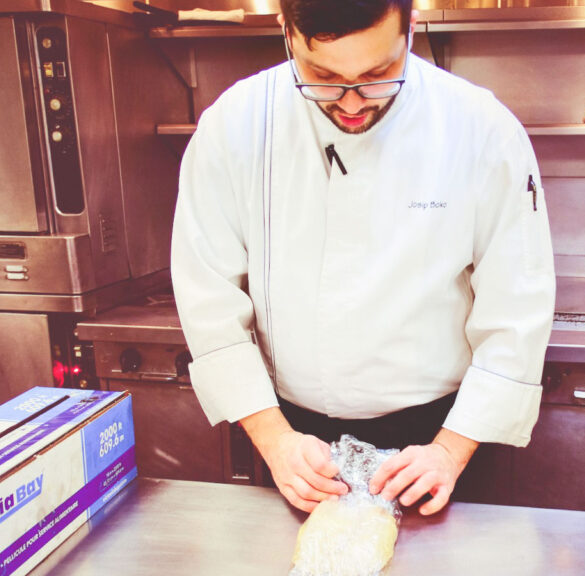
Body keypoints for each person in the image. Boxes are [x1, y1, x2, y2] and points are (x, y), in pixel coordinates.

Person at [171, 0, 555, 517]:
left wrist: (450, 450)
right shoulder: (233, 126)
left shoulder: (481, 129)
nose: (351, 101)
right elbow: (208, 297)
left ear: (411, 29)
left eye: (378, 74)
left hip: (437, 438)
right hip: (290, 439)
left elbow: (516, 309)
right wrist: (274, 440)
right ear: (287, 33)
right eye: (322, 76)